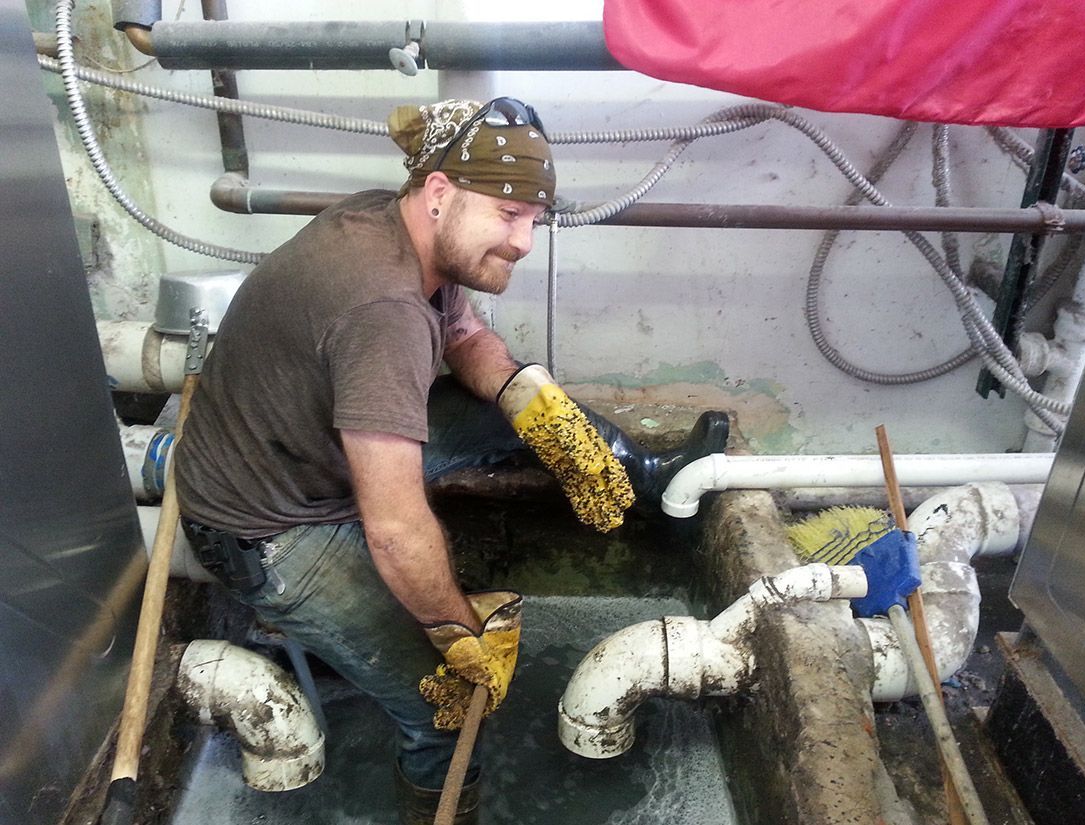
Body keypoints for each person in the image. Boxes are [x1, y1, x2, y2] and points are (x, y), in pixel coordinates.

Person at [175, 97, 728, 824]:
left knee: (536, 414)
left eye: (534, 218)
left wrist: (530, 400)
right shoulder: (383, 309)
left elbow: (462, 334)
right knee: (445, 702)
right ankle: (444, 805)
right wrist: (460, 633)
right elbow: (397, 530)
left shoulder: (401, 226)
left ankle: (648, 476)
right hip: (271, 527)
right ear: (440, 193)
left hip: (308, 443)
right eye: (509, 214)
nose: (526, 240)